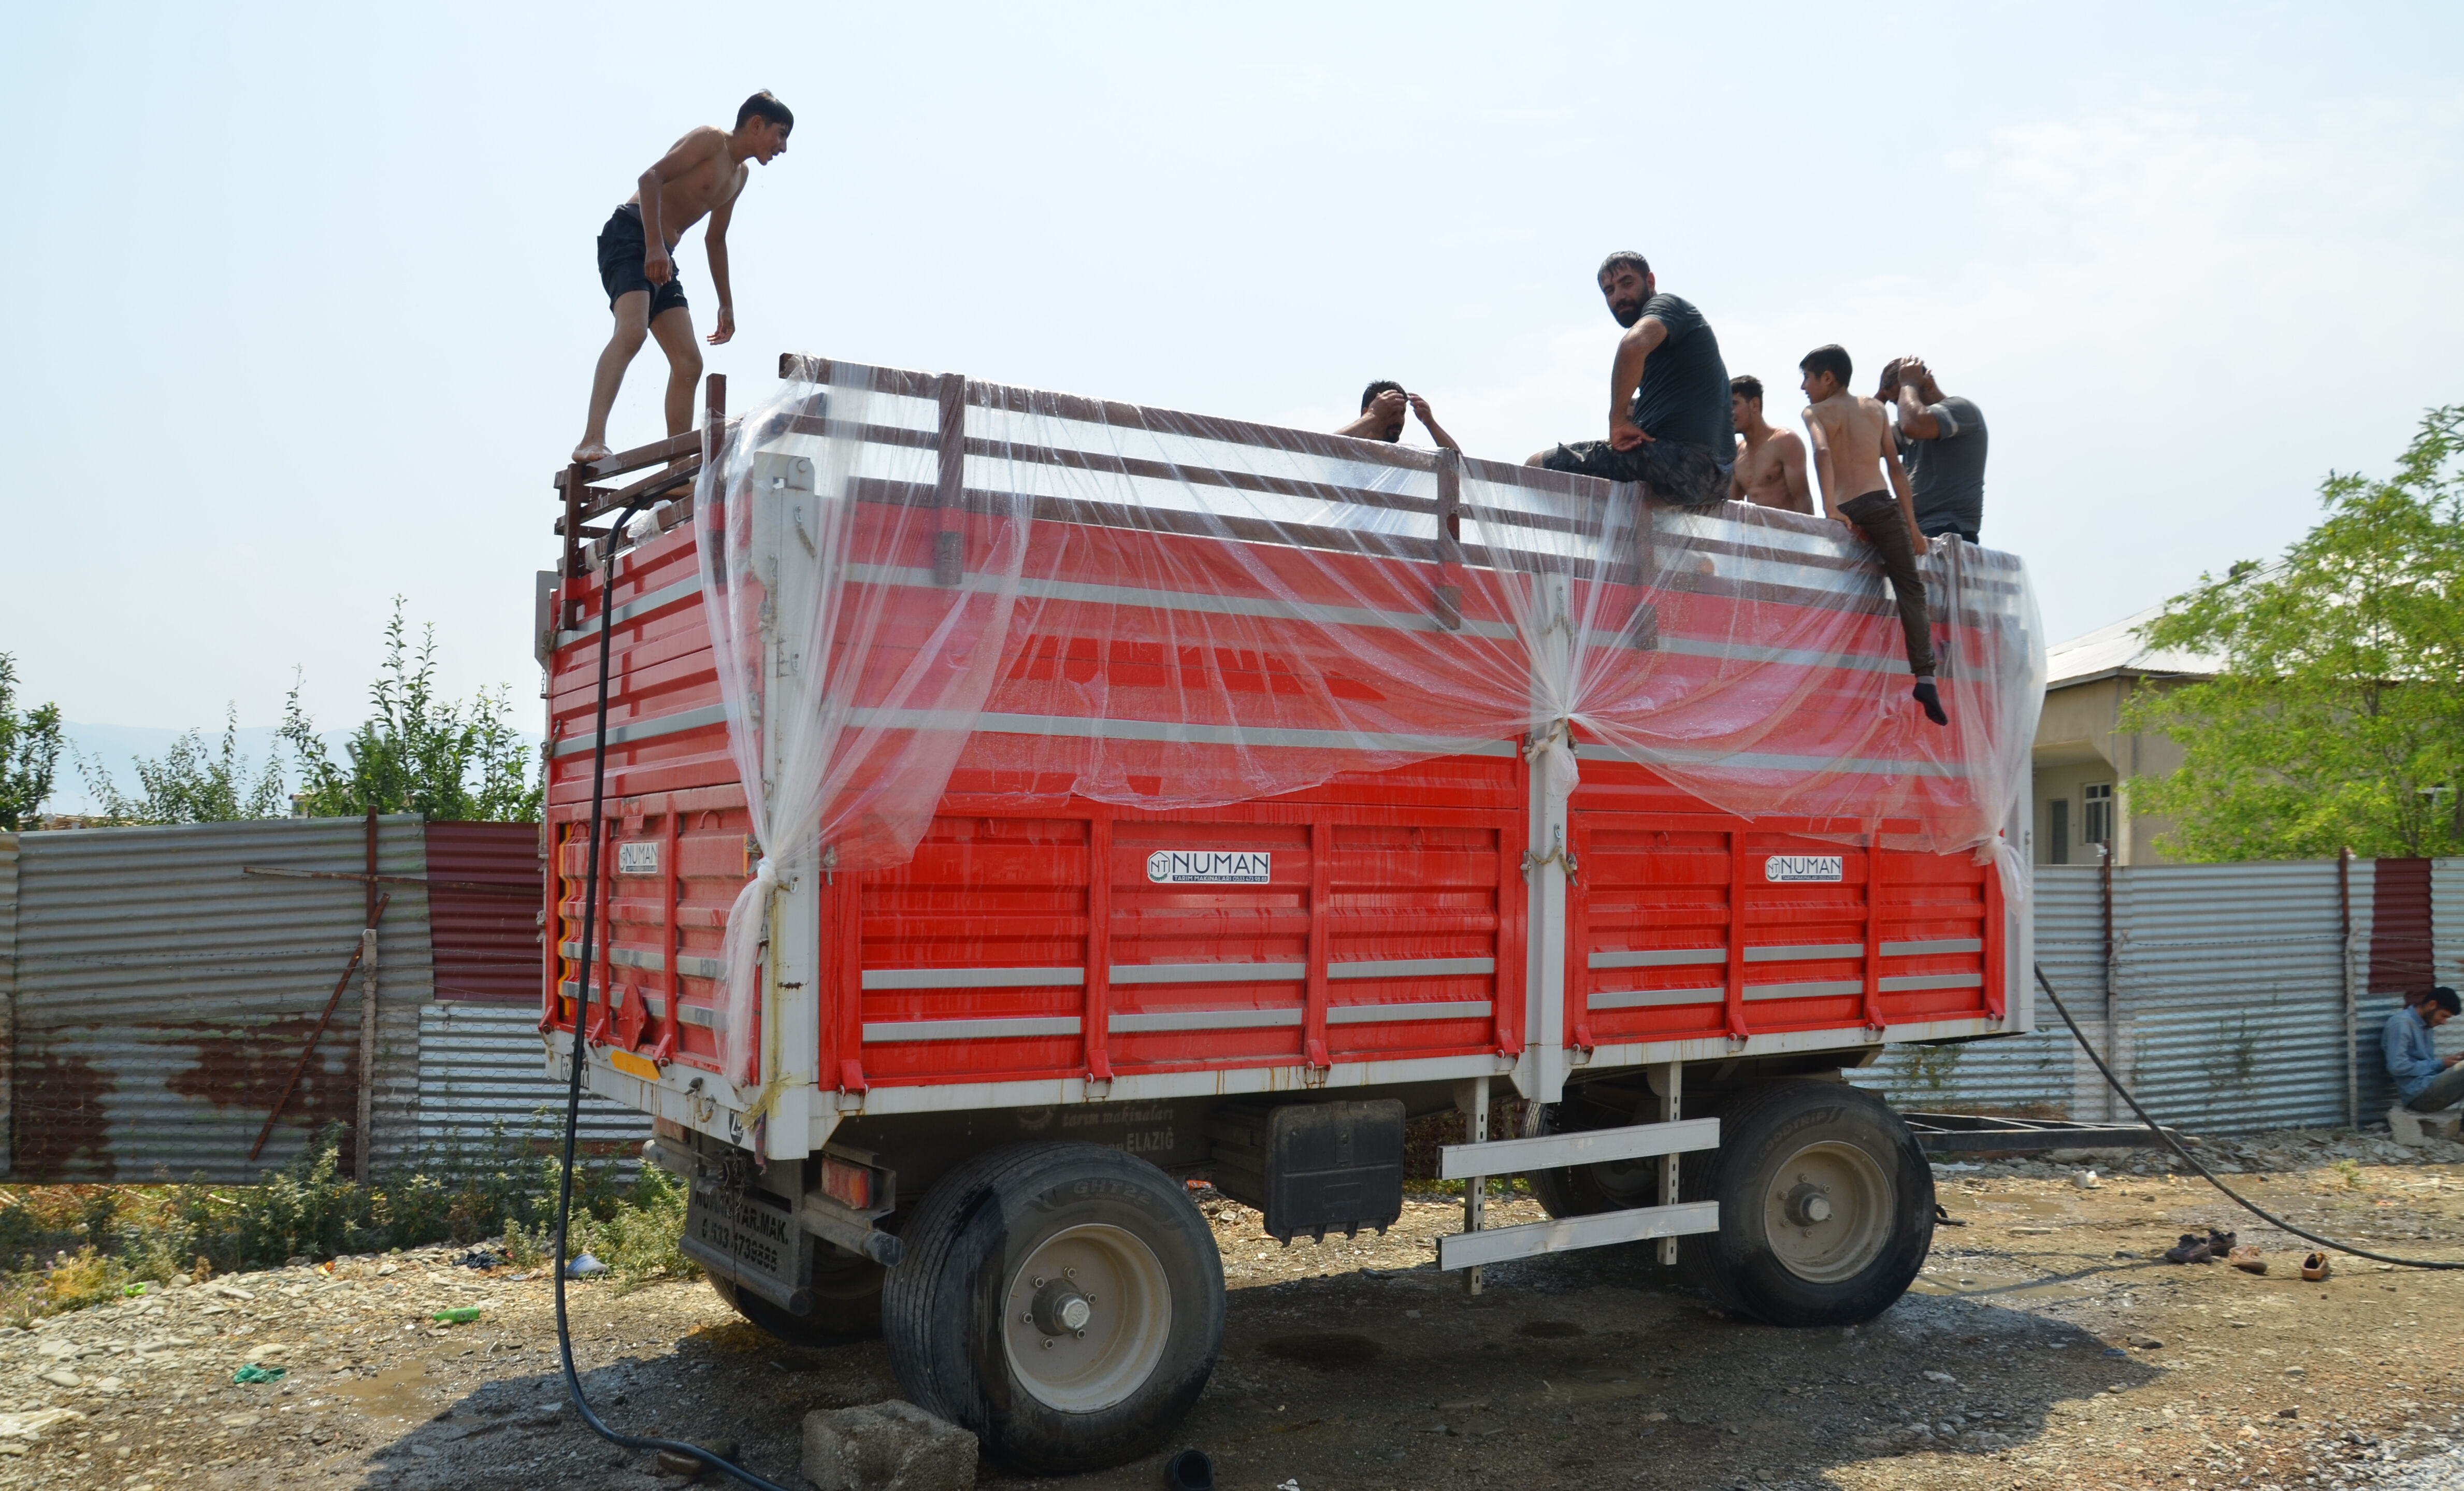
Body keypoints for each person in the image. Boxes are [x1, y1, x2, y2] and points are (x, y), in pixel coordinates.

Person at [572, 92, 795, 463]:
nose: (782, 147)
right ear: (756, 124)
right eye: (780, 134)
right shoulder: (711, 140)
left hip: (662, 254)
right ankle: (591, 440)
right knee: (632, 331)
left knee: (689, 361)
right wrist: (654, 245)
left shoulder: (739, 176)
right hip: (631, 234)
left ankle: (676, 467)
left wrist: (726, 303)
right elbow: (650, 178)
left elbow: (715, 239)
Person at [1798, 344, 1946, 726]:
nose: (1803, 387)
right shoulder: (1875, 409)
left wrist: (1830, 509)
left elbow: (1822, 452)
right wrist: (1912, 527)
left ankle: (1839, 673)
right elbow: (1896, 470)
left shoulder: (1815, 411)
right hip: (1880, 504)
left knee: (1847, 591)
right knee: (1908, 588)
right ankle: (1924, 678)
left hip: (1845, 509)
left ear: (1827, 378)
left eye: (1807, 378)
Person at [1525, 252, 1733, 506]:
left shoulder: (1668, 306)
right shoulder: (1666, 346)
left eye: (1627, 283)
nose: (1619, 296)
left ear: (1651, 281)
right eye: (1609, 291)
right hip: (1714, 478)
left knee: (1537, 466)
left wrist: (1618, 420)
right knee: (1622, 513)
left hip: (1682, 462)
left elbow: (1632, 346)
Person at [1877, 355, 1987, 543]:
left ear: (1928, 385)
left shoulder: (1962, 411)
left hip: (1948, 530)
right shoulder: (1908, 426)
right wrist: (1881, 396)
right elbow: (1864, 444)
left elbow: (1915, 424)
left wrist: (1908, 385)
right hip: (1915, 530)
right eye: (1897, 402)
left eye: (1903, 397)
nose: (1901, 406)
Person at [1728, 375, 1811, 513]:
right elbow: (1732, 507)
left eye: (1733, 404)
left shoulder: (1785, 441)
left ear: (1754, 404)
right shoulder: (1736, 453)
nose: (1728, 413)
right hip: (1754, 534)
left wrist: (1808, 535)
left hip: (1788, 533)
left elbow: (1803, 500)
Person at [2386, 986, 2464, 1111]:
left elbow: (2426, 1066)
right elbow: (2397, 1066)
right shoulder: (2401, 1024)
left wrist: (2453, 1063)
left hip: (2428, 1088)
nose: (2444, 1023)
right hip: (2418, 1096)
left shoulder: (2426, 1026)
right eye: (2443, 1016)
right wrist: (2441, 1064)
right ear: (2432, 1005)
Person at [1337, 380, 1458, 449]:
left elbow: (1459, 465)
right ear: (1366, 413)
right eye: (1390, 412)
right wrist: (1372, 416)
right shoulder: (1350, 449)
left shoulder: (1409, 452)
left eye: (1402, 413)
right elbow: (1323, 448)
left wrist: (1431, 424)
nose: (1398, 420)